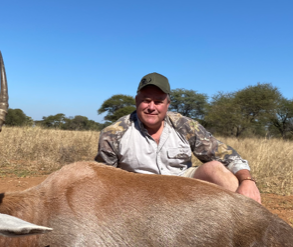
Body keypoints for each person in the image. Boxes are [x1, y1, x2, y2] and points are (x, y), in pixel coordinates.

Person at [95, 72, 262, 203]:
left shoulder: (184, 125)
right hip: (138, 193)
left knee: (214, 168)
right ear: (137, 101)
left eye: (158, 101)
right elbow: (105, 180)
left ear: (168, 104)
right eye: (146, 100)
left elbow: (226, 156)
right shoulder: (114, 133)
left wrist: (247, 180)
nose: (152, 107)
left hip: (182, 186)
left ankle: (249, 223)